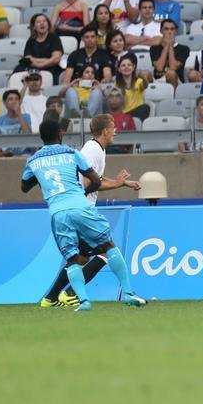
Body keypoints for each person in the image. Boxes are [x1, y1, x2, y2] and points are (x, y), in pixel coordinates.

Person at [25, 118, 146, 311]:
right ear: (105, 131)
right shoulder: (90, 150)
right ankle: (73, 294)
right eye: (113, 128)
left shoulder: (95, 149)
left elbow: (92, 178)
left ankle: (52, 298)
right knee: (106, 251)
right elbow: (85, 180)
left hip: (62, 211)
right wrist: (112, 185)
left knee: (79, 259)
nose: (116, 132)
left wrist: (120, 182)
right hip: (81, 208)